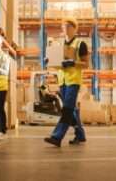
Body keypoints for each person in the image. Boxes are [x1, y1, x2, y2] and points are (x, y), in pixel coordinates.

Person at [44, 17, 89, 147]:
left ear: (75, 28)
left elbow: (86, 64)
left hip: (73, 80)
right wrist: (50, 60)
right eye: (64, 27)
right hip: (63, 81)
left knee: (67, 109)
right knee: (72, 110)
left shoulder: (80, 44)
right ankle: (80, 134)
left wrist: (73, 62)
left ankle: (57, 137)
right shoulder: (59, 45)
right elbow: (56, 62)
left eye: (69, 26)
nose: (66, 29)